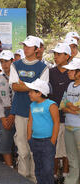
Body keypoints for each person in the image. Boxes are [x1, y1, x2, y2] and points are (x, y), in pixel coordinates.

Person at [9, 35, 49, 181]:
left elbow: (41, 92)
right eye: (24, 46)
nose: (26, 48)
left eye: (29, 46)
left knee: (34, 150)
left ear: (37, 49)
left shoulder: (44, 68)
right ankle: (22, 178)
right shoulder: (16, 65)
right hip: (20, 111)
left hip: (37, 113)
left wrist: (23, 84)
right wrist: (32, 85)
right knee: (22, 149)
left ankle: (34, 178)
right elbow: (14, 86)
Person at [26, 79, 59, 184]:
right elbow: (30, 121)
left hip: (47, 142)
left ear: (39, 93)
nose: (29, 93)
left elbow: (56, 123)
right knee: (38, 168)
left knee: (48, 169)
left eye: (31, 91)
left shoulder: (51, 105)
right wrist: (29, 138)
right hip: (35, 141)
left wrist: (52, 141)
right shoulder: (32, 105)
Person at [48, 43, 71, 181]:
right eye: (54, 54)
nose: (55, 57)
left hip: (70, 118)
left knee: (67, 148)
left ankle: (66, 174)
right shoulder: (50, 72)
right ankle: (55, 174)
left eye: (59, 54)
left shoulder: (73, 73)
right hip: (52, 118)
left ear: (67, 56)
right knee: (54, 147)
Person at [0, 50, 15, 167]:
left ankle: (21, 168)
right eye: (1, 62)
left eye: (6, 61)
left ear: (12, 61)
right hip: (5, 112)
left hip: (19, 112)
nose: (4, 64)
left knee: (21, 141)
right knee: (5, 140)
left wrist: (14, 113)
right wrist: (2, 117)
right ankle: (10, 167)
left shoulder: (18, 76)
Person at [60, 58, 80, 184]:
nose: (68, 72)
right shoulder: (69, 85)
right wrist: (73, 108)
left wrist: (70, 107)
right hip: (68, 127)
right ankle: (73, 181)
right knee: (72, 157)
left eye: (71, 70)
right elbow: (62, 105)